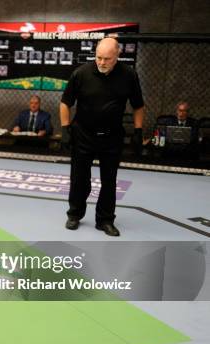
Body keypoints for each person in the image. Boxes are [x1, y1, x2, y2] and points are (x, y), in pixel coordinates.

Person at [60, 37, 145, 237]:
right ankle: (75, 214)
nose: (102, 62)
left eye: (107, 59)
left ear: (117, 56)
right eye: (99, 57)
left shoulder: (129, 75)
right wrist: (65, 130)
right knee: (79, 179)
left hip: (112, 137)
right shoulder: (81, 74)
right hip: (83, 135)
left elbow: (138, 105)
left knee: (109, 180)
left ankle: (105, 220)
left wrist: (139, 132)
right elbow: (65, 103)